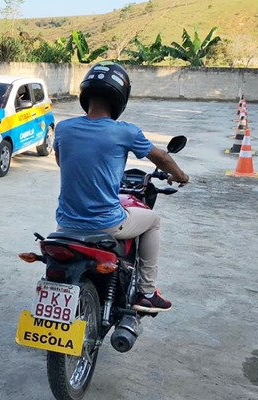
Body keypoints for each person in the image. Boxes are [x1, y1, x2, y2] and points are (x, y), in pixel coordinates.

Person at [52, 61, 190, 313]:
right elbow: (161, 158)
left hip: (65, 225)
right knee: (153, 220)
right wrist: (180, 175)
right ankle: (147, 292)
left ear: (86, 93)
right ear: (120, 98)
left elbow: (64, 164)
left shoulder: (64, 128)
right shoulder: (125, 131)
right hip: (107, 223)